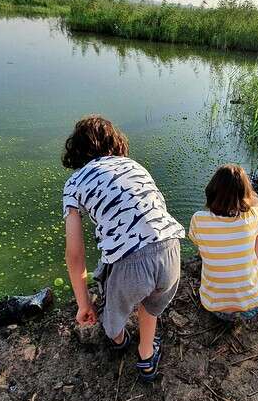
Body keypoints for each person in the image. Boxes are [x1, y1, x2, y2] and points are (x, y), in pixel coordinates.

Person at [62, 115, 185, 381]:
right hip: (171, 250)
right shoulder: (134, 166)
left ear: (77, 151)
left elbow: (74, 254)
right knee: (152, 304)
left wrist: (84, 304)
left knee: (114, 314)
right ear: (115, 142)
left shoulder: (74, 183)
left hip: (131, 263)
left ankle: (118, 340)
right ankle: (146, 358)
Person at [189, 164, 258, 323]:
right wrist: (249, 195)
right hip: (252, 307)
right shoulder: (249, 217)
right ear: (244, 196)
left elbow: (199, 245)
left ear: (211, 192)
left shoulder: (198, 219)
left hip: (215, 307)